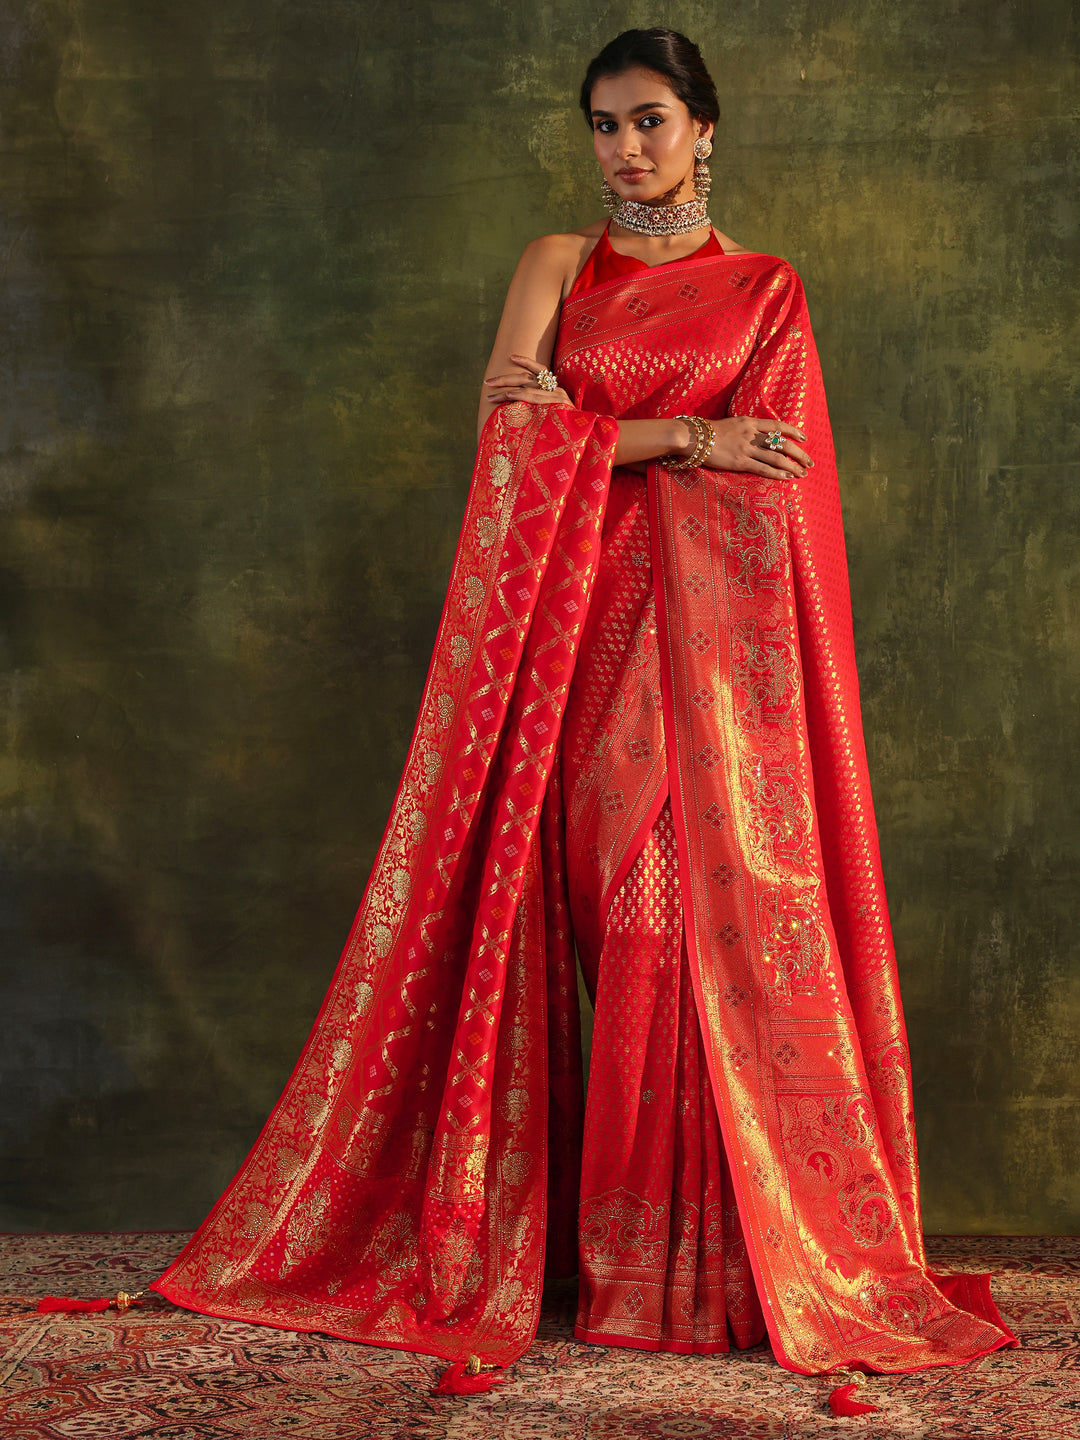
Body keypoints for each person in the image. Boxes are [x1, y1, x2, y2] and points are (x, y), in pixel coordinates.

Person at [153, 28, 1014, 1380]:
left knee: (687, 932)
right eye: (606, 125)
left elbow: (775, 487)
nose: (626, 150)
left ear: (707, 130)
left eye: (652, 121)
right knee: (618, 921)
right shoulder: (561, 267)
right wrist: (684, 436)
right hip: (573, 651)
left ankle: (707, 1276)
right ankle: (621, 1257)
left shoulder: (766, 289)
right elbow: (510, 450)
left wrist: (603, 437)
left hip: (715, 673)